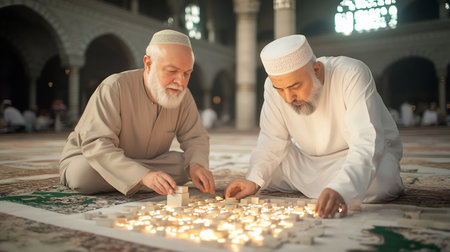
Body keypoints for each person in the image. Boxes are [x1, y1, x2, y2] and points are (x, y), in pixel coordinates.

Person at [225, 35, 404, 218]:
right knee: (265, 174)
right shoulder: (272, 87)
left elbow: (368, 140)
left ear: (316, 70)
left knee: (382, 182)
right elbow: (272, 139)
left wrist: (342, 187)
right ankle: (327, 187)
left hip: (353, 156)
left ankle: (333, 187)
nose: (288, 97)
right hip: (308, 163)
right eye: (280, 89)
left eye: (295, 86)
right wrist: (253, 180)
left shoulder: (351, 73)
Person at [59, 30, 215, 196]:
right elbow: (97, 143)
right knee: (82, 175)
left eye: (186, 73)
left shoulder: (184, 96)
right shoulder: (115, 87)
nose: (180, 82)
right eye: (172, 71)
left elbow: (195, 137)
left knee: (186, 165)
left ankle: (132, 180)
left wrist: (197, 166)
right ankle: (138, 179)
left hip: (150, 163)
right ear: (148, 64)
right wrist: (143, 175)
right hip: (98, 159)